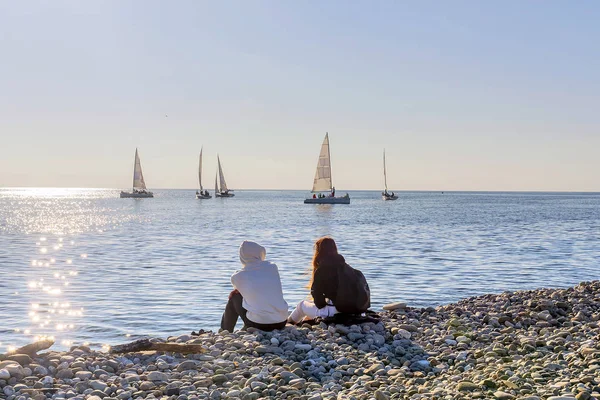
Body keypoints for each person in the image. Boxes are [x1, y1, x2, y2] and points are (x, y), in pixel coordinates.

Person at [288, 237, 370, 324]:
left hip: (334, 313)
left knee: (301, 306)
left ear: (319, 252)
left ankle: (288, 324)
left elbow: (319, 303)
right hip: (354, 312)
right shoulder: (347, 268)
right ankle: (305, 321)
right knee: (313, 308)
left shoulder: (322, 269)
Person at [220, 241, 289, 332]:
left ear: (242, 257)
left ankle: (225, 331)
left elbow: (242, 292)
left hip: (259, 325)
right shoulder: (273, 267)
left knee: (234, 296)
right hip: (281, 322)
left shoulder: (237, 276)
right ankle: (246, 326)